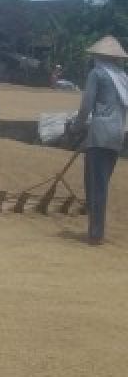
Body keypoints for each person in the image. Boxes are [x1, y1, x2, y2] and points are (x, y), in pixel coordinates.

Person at [69, 36, 128, 245]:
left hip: (100, 133)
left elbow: (86, 105)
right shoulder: (122, 77)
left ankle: (95, 233)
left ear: (99, 56)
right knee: (102, 183)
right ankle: (96, 229)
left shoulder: (97, 74)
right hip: (117, 135)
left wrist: (76, 127)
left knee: (94, 184)